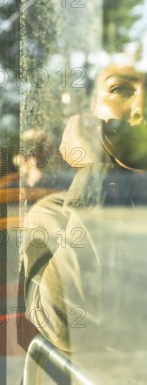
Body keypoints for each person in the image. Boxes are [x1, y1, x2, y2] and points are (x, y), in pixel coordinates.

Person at [23, 59, 147, 354]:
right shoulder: (55, 217)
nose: (140, 107)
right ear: (93, 114)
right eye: (119, 89)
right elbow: (70, 326)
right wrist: (94, 174)